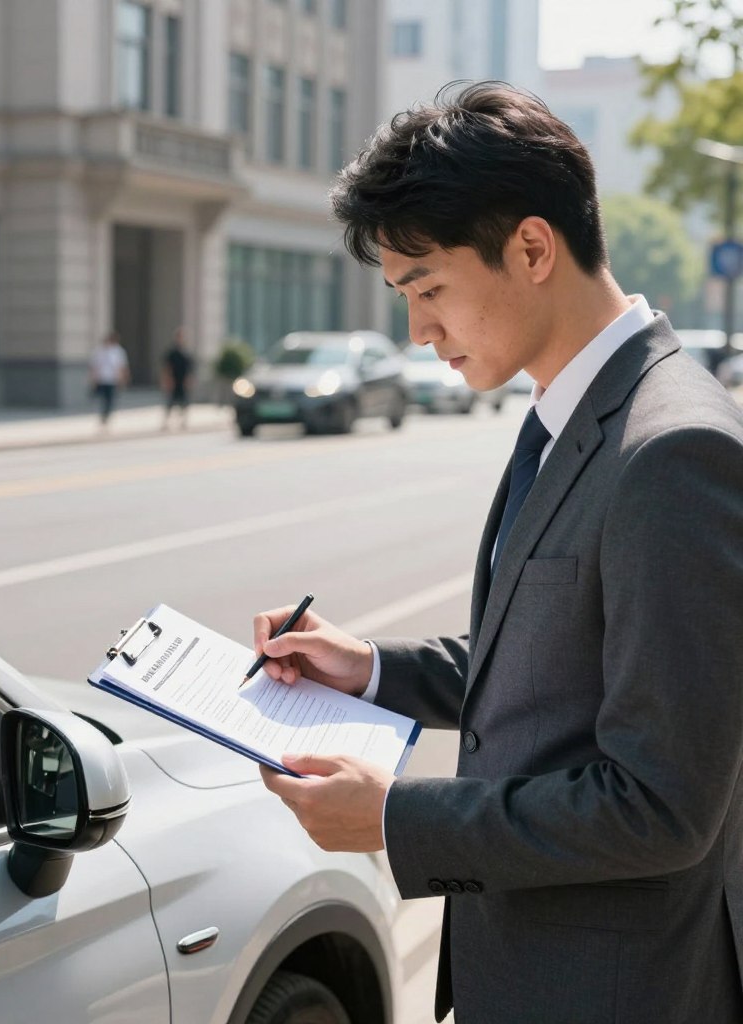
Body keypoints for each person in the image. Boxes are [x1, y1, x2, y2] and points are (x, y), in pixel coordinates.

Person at [254, 82, 743, 1023]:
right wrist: (367, 669)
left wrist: (397, 817)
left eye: (428, 289)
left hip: (614, 989)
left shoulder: (674, 450)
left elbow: (663, 804)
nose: (418, 331)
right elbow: (567, 664)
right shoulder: (571, 414)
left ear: (530, 247)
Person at [89, 331, 130, 429]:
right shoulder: (99, 351)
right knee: (102, 399)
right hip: (102, 379)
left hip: (113, 379)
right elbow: (94, 366)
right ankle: (103, 415)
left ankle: (106, 416)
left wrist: (124, 378)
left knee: (110, 399)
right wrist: (93, 379)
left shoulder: (118, 351)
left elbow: (122, 366)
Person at [161, 326, 195, 429]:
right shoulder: (172, 353)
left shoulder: (186, 353)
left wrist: (189, 381)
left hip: (182, 381)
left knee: (184, 403)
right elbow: (167, 367)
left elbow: (190, 369)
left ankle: (183, 422)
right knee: (170, 403)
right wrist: (167, 380)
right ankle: (166, 422)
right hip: (173, 380)